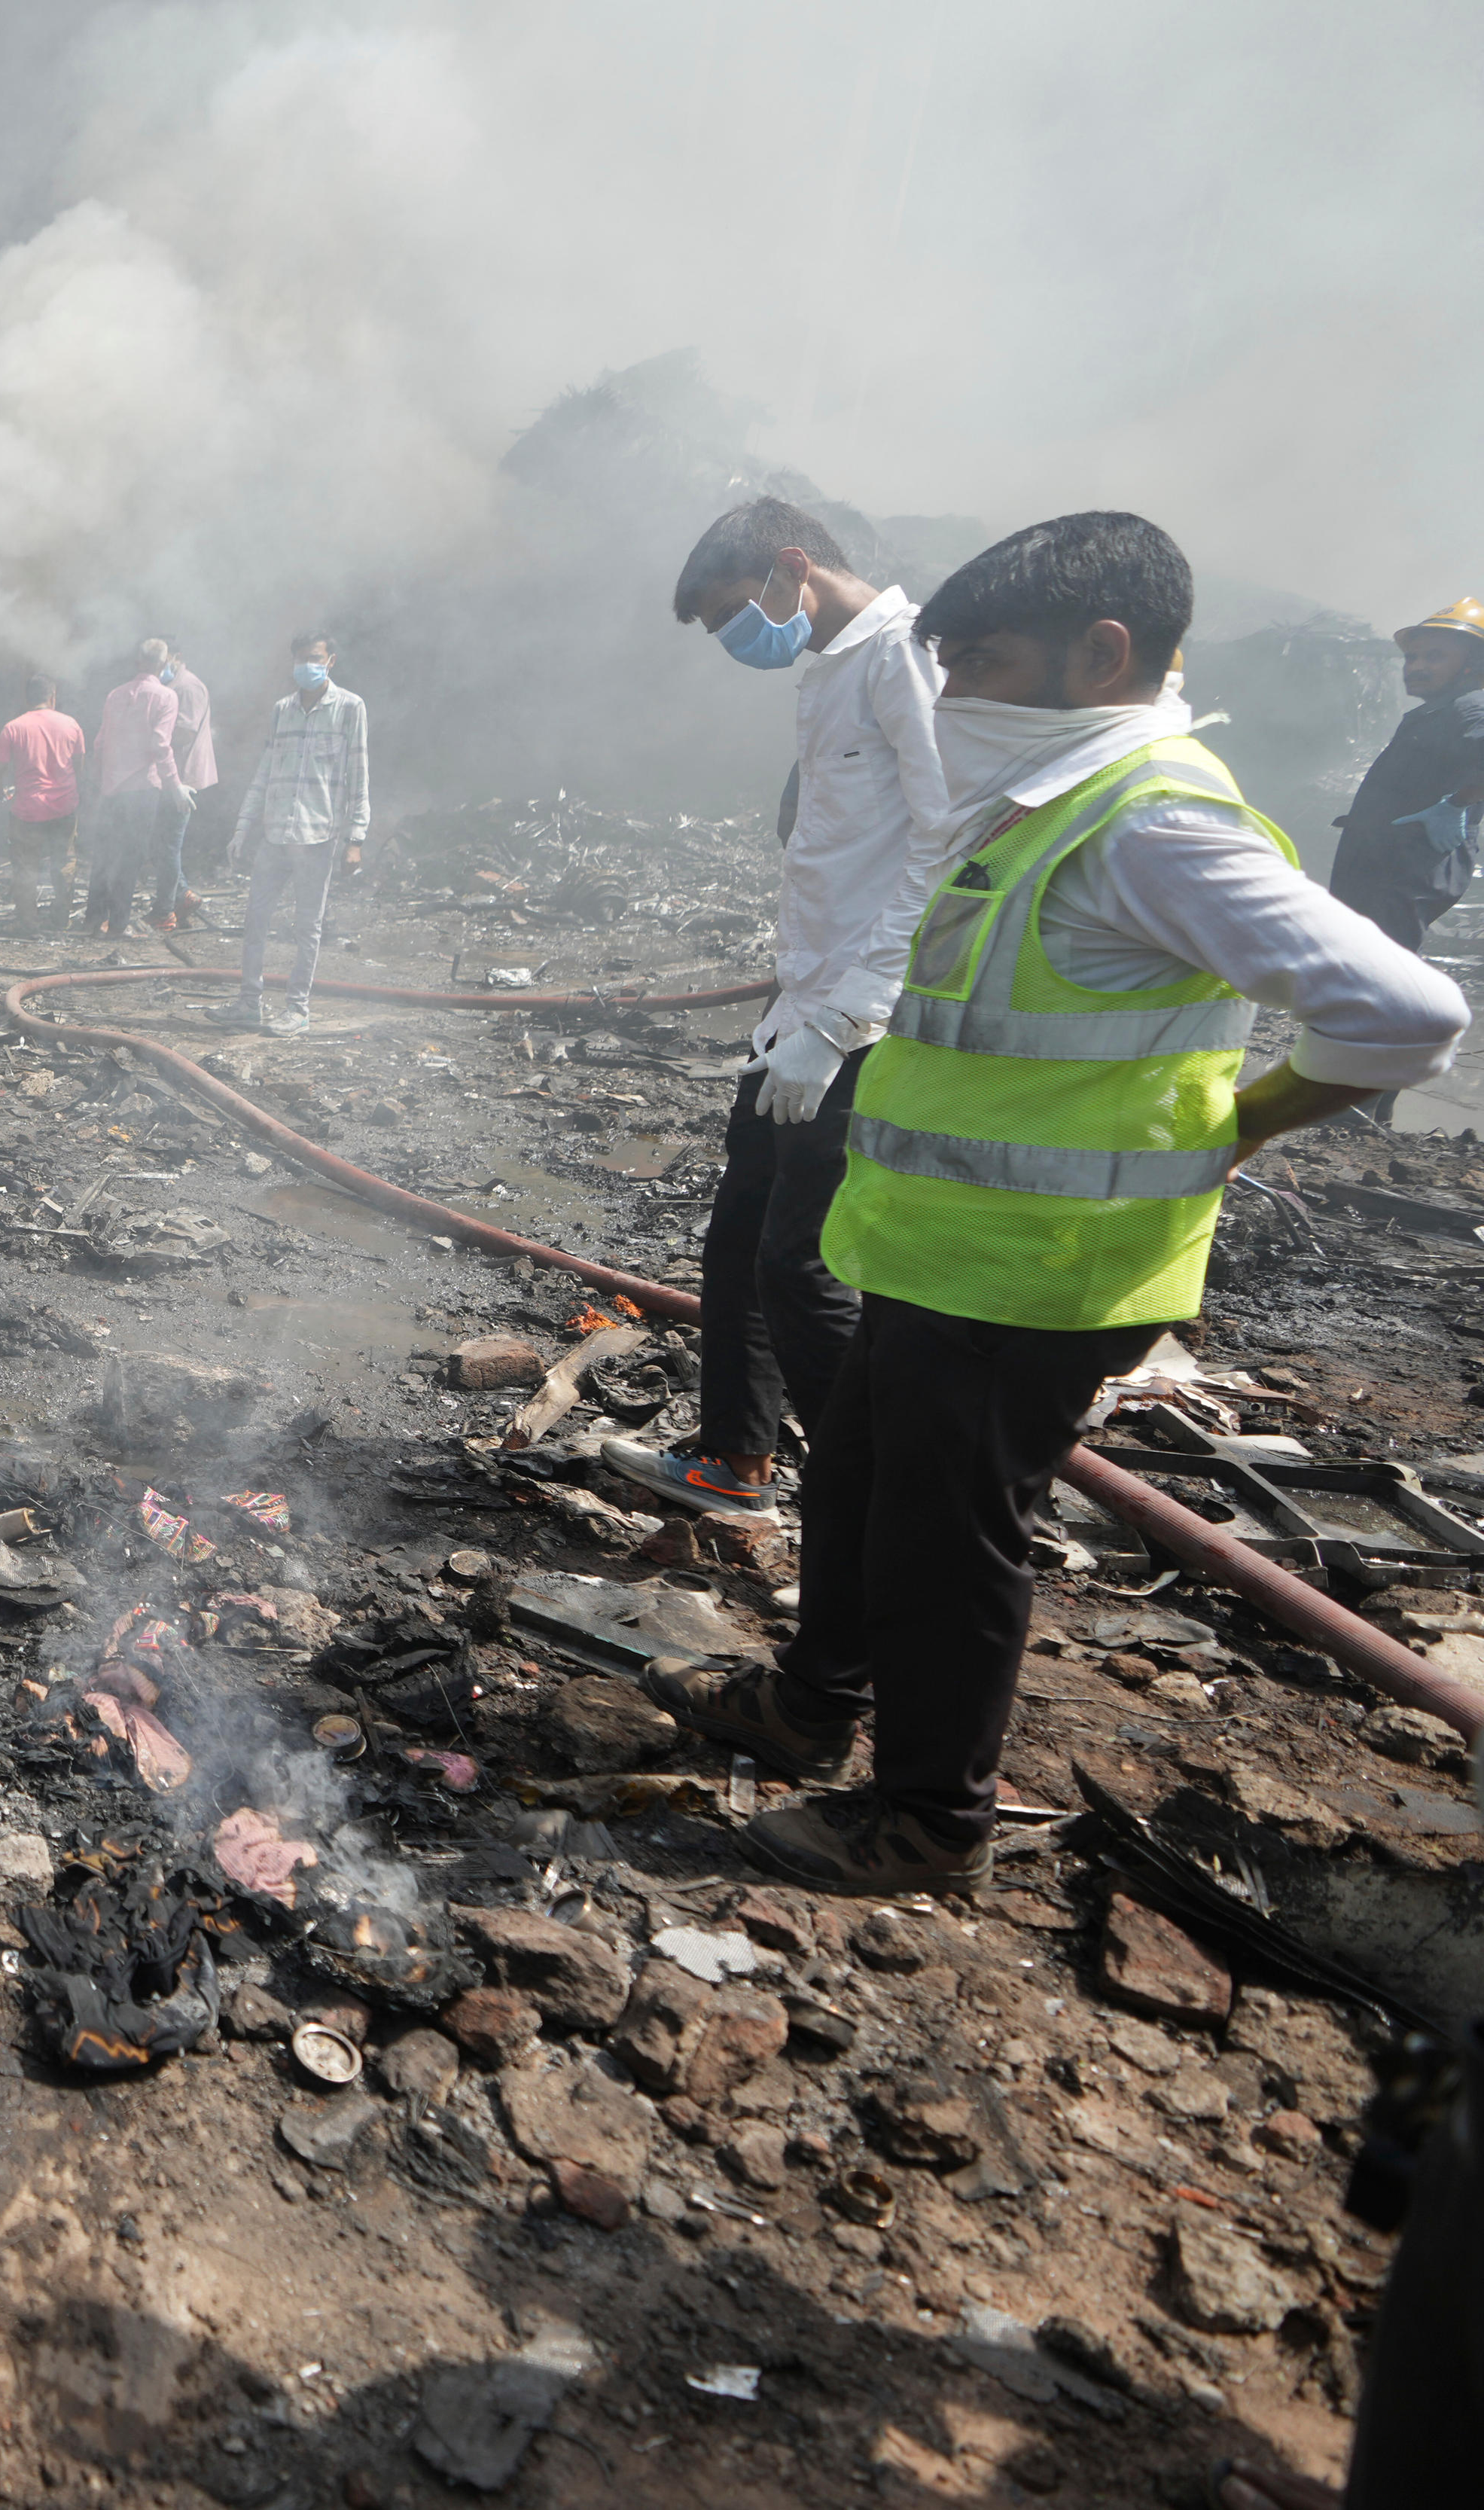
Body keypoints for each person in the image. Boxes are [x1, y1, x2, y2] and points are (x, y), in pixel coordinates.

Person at [647, 512, 1467, 1897]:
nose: (952, 695)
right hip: (935, 1245)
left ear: (1103, 654)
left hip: (1040, 1270)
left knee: (945, 1544)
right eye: (948, 664)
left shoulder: (1154, 822)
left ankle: (924, 1819)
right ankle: (807, 1704)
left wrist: (1247, 1126)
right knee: (851, 1483)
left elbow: (1403, 1010)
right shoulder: (1043, 804)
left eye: (979, 665)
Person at [606, 499, 955, 1522]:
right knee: (739, 1243)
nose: (732, 643)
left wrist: (846, 1024)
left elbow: (946, 854)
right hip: (798, 1013)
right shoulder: (835, 667)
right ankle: (734, 1463)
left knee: (804, 1266)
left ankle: (880, 1505)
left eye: (731, 617)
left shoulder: (908, 659)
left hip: (858, 1023)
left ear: (792, 567)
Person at [1324, 596, 1484, 1125]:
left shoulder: (1473, 708)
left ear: (1471, 661)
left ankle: (1359, 1103)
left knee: (1383, 979)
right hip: (1383, 862)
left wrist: (1458, 804)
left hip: (1409, 866)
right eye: (1411, 659)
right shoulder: (1436, 713)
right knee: (1368, 974)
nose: (1416, 667)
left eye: (1433, 657)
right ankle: (1364, 1099)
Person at [229, 631, 367, 1033]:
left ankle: (298, 1009)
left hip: (317, 837)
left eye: (315, 657)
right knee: (255, 920)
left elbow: (359, 776)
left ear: (331, 661)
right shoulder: (281, 710)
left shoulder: (349, 708)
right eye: (300, 659)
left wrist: (355, 838)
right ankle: (248, 1002)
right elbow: (265, 771)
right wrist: (243, 826)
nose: (307, 665)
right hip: (275, 834)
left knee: (308, 928)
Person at [87, 640, 181, 937]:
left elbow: (100, 743)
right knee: (130, 857)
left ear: (138, 661)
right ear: (164, 664)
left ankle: (92, 921)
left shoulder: (115, 695)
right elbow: (160, 744)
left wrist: (99, 780)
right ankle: (118, 925)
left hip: (111, 788)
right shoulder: (166, 697)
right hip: (142, 789)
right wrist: (175, 785)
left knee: (104, 855)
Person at [0, 674, 86, 923]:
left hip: (27, 811)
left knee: (25, 867)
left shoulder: (13, 728)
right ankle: (61, 918)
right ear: (53, 697)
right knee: (64, 862)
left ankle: (27, 922)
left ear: (27, 698)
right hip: (65, 807)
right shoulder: (72, 725)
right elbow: (80, 765)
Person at [165, 638, 218, 920]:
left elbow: (185, 732)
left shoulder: (188, 687)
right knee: (163, 841)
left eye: (164, 657)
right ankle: (179, 895)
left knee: (168, 842)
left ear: (177, 656)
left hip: (183, 776)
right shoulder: (174, 685)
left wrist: (151, 742)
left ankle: (177, 899)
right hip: (174, 774)